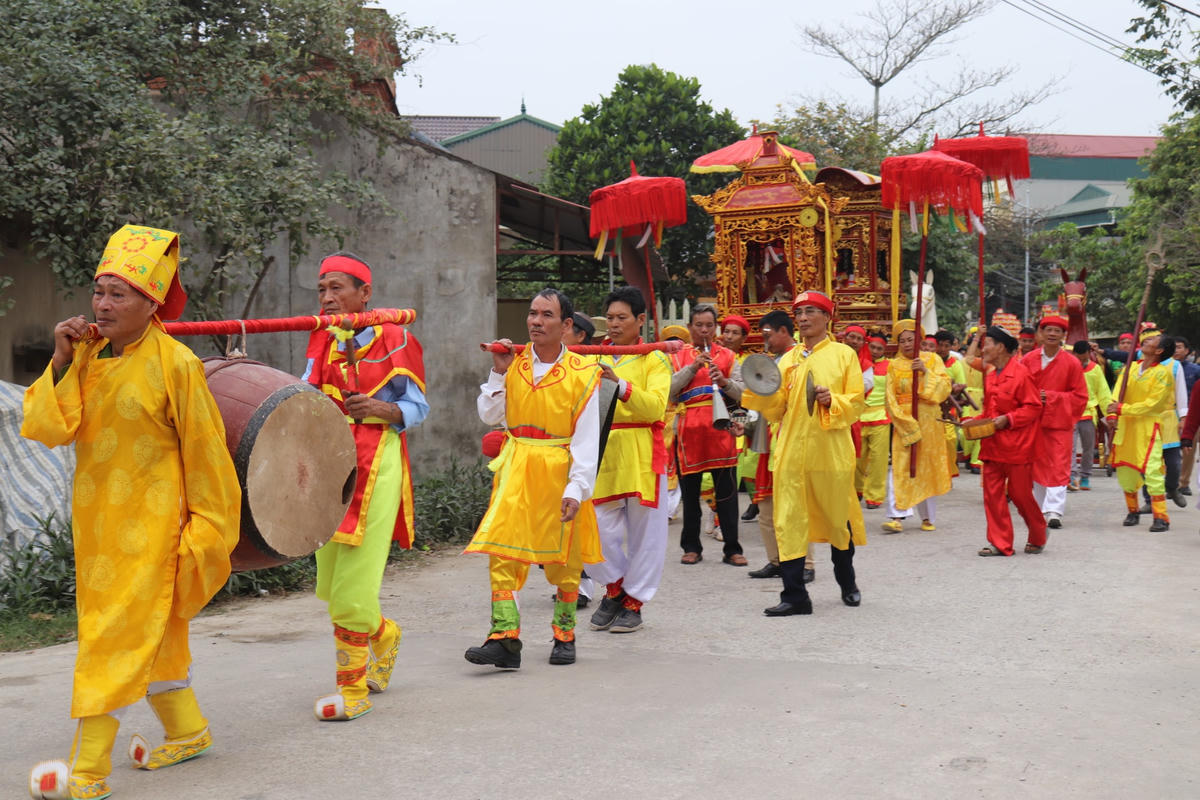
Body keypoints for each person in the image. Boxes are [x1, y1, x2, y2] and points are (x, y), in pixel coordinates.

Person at [23, 225, 241, 800]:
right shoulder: (88, 354)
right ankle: (188, 731)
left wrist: (208, 532)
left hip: (154, 532)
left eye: (119, 294)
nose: (103, 304)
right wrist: (63, 357)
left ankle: (88, 770)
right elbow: (47, 426)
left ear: (153, 303)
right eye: (99, 291)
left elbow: (209, 457)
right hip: (99, 529)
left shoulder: (177, 364)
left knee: (111, 638)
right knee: (158, 636)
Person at [301, 252, 428, 721]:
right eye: (321, 290)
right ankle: (384, 635)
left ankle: (351, 690)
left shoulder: (396, 337)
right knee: (333, 587)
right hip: (328, 462)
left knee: (353, 587)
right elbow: (305, 392)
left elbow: (416, 409)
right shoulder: (321, 337)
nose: (328, 298)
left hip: (375, 461)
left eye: (337, 288)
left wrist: (377, 407)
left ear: (364, 294)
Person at [464, 288, 602, 668]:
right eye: (532, 313)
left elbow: (588, 439)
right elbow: (490, 415)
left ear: (566, 325)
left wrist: (577, 487)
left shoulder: (584, 373)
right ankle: (505, 639)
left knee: (564, 559)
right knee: (503, 550)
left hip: (558, 468)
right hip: (515, 467)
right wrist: (497, 368)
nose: (536, 321)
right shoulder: (514, 365)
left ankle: (564, 633)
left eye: (546, 315)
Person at [742, 290, 866, 616]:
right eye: (799, 312)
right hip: (791, 452)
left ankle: (847, 582)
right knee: (789, 522)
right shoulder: (788, 359)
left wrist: (832, 400)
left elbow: (855, 403)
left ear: (828, 317)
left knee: (838, 521)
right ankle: (795, 596)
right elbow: (776, 407)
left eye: (811, 311)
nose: (803, 318)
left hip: (831, 452)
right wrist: (759, 389)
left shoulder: (843, 355)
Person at [587, 287, 672, 634]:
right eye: (610, 317)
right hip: (602, 448)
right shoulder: (594, 356)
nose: (614, 323)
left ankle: (634, 601)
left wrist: (620, 385)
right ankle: (615, 587)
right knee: (594, 527)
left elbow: (655, 407)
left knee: (645, 534)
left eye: (622, 317)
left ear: (640, 320)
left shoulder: (655, 357)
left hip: (641, 448)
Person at [669, 304, 746, 565]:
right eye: (699, 325)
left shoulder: (728, 356)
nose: (704, 330)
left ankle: (733, 548)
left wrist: (724, 382)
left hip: (720, 429)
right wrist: (692, 368)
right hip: (688, 431)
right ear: (690, 327)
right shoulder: (677, 356)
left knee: (727, 494)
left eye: (709, 325)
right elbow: (668, 390)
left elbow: (744, 393)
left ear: (716, 328)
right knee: (690, 497)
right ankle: (691, 547)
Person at [744, 310, 815, 583]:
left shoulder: (800, 358)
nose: (766, 340)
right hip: (767, 438)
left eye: (768, 334)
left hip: (792, 439)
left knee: (796, 507)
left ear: (784, 331)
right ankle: (775, 561)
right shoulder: (770, 360)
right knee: (766, 506)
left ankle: (806, 564)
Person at [974, 327, 1048, 557]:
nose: (983, 348)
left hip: (1018, 445)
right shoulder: (989, 374)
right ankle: (999, 542)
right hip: (992, 444)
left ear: (1001, 347)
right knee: (992, 494)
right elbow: (989, 410)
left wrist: (1009, 419)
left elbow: (1034, 407)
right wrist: (973, 421)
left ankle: (1038, 532)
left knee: (1020, 494)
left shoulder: (1021, 374)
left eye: (987, 344)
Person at [882, 320, 952, 533]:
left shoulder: (932, 359)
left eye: (910, 340)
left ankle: (927, 518)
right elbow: (890, 398)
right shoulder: (893, 365)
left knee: (926, 467)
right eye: (901, 341)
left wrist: (925, 373)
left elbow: (944, 387)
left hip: (928, 421)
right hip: (905, 421)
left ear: (919, 340)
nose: (906, 344)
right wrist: (904, 423)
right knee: (900, 467)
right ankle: (897, 515)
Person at [1021, 316, 1088, 529]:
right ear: (1040, 333)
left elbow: (1080, 396)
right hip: (1033, 421)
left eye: (1057, 331)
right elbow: (1018, 389)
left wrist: (1050, 397)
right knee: (1036, 464)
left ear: (1063, 336)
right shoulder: (1027, 360)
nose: (1051, 334)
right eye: (1047, 330)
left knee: (1059, 464)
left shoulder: (1072, 363)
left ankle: (1055, 511)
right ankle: (1041, 508)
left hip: (1060, 422)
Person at [1108, 333, 1176, 531]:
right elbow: (1117, 393)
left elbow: (1152, 404)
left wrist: (1122, 409)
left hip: (1148, 427)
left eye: (1152, 340)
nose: (1146, 340)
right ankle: (1133, 510)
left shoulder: (1163, 373)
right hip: (1126, 427)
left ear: (1159, 350)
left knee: (1152, 470)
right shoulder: (1131, 367)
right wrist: (1113, 414)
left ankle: (1161, 516)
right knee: (1125, 471)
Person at [721, 314, 760, 522]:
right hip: (718, 414)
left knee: (745, 464)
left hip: (742, 414)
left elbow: (752, 393)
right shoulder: (714, 357)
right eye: (726, 331)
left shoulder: (748, 362)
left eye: (735, 333)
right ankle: (718, 515)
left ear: (744, 338)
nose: (729, 336)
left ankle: (756, 501)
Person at [1069, 340, 1112, 492]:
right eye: (1078, 357)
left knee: (1088, 448)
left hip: (1088, 413)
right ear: (1074, 354)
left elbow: (1103, 393)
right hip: (1070, 413)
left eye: (1083, 357)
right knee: (1070, 447)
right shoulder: (1068, 367)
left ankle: (1085, 476)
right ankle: (1071, 476)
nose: (1080, 361)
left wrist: (1110, 414)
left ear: (1089, 354)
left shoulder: (1095, 369)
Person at [855, 335, 890, 509]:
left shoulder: (890, 367)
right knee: (856, 458)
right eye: (873, 348)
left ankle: (874, 496)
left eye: (880, 349)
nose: (875, 352)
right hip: (859, 416)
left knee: (878, 461)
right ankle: (856, 490)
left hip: (881, 417)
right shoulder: (858, 362)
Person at [1174, 337, 1199, 494]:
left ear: (1187, 351)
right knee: (1169, 451)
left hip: (1191, 416)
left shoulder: (1195, 371)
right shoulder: (1165, 368)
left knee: (1188, 449)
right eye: (1174, 347)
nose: (1176, 350)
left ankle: (1183, 483)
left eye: (1180, 347)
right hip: (1169, 414)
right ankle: (1170, 481)